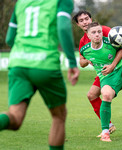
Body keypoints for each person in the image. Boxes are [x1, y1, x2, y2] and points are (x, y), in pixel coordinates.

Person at [1, 0, 80, 150]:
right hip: (45, 64)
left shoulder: (21, 3)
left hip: (18, 64)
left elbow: (9, 39)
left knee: (15, 118)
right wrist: (71, 61)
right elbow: (63, 28)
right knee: (59, 116)